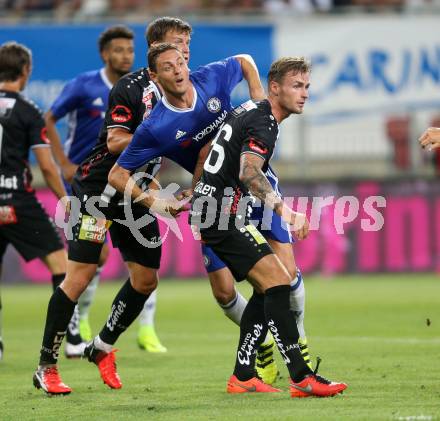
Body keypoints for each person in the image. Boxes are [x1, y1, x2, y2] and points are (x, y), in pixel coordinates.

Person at [32, 20, 261, 395]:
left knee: (145, 281)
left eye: (187, 43)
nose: (184, 51)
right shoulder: (132, 88)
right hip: (98, 191)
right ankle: (46, 366)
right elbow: (115, 139)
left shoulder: (189, 86)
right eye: (175, 43)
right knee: (80, 275)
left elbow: (201, 134)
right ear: (154, 49)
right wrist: (158, 133)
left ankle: (103, 346)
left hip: (137, 191)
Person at [189, 56, 347, 397]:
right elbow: (249, 172)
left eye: (306, 86)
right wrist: (285, 211)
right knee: (279, 281)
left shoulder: (253, 108)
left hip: (213, 210)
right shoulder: (265, 123)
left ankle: (243, 375)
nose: (304, 93)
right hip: (220, 213)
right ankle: (301, 377)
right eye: (296, 86)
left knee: (269, 285)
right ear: (274, 87)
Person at [44, 25, 165, 355]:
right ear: (104, 54)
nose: (125, 55)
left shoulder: (158, 89)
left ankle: (135, 333)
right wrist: (63, 164)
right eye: (118, 50)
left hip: (129, 185)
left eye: (129, 49)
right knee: (90, 261)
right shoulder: (86, 85)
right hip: (91, 183)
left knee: (144, 271)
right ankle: (73, 329)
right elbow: (49, 119)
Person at [0, 42, 68, 362]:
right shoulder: (29, 111)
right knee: (61, 267)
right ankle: (63, 342)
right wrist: (65, 199)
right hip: (18, 201)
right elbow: (46, 166)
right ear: (25, 71)